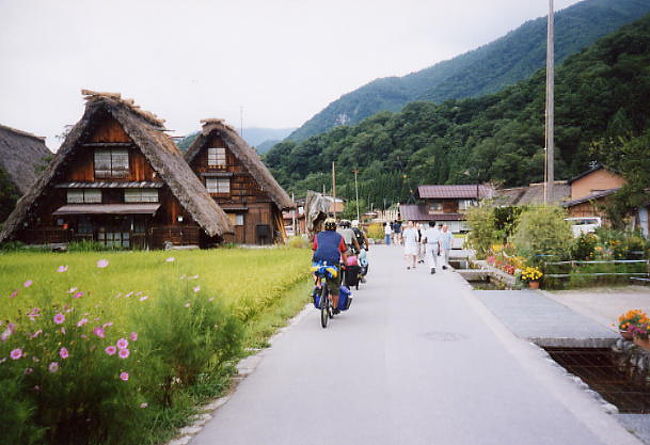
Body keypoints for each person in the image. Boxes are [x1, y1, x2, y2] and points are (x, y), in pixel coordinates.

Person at [312, 218, 348, 312]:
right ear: (335, 227)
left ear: (324, 227)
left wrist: (314, 260)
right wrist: (345, 264)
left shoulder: (318, 236)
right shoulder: (339, 237)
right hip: (333, 262)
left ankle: (318, 285)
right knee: (335, 286)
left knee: (315, 271)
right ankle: (335, 308)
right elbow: (344, 253)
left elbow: (315, 250)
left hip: (319, 260)